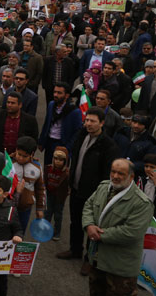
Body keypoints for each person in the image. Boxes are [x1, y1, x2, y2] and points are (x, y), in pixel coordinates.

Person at [57, 107, 120, 276]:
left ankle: (89, 259)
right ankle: (75, 249)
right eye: (87, 120)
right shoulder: (81, 135)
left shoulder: (108, 145)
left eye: (93, 121)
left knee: (91, 228)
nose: (88, 124)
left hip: (93, 194)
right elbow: (75, 158)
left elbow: (108, 173)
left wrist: (101, 195)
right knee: (75, 222)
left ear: (102, 123)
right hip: (77, 188)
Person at [82, 159, 153, 295]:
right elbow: (88, 206)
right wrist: (89, 225)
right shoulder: (103, 187)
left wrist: (98, 235)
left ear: (131, 176)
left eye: (121, 173)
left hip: (120, 271)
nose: (115, 176)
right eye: (113, 172)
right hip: (97, 262)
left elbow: (131, 232)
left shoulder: (142, 203)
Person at [38, 82, 83, 165]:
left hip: (62, 144)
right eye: (54, 92)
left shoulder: (74, 111)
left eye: (59, 93)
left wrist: (68, 147)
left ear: (66, 95)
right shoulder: (51, 105)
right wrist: (41, 141)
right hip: (49, 143)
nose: (55, 95)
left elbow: (78, 132)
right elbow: (47, 123)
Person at [10, 136, 46, 233]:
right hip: (8, 207)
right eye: (19, 154)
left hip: (25, 209)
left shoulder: (37, 167)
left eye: (24, 156)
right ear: (16, 150)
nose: (20, 158)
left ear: (32, 154)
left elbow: (40, 189)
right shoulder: (8, 163)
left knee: (20, 233)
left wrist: (40, 208)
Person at [44, 146, 70, 241]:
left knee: (58, 215)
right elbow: (44, 180)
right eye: (56, 159)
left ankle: (57, 232)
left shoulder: (66, 173)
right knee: (47, 213)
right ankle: (45, 230)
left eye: (61, 160)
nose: (58, 161)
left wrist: (68, 191)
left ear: (65, 161)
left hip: (60, 197)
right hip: (49, 194)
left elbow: (69, 184)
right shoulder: (48, 169)